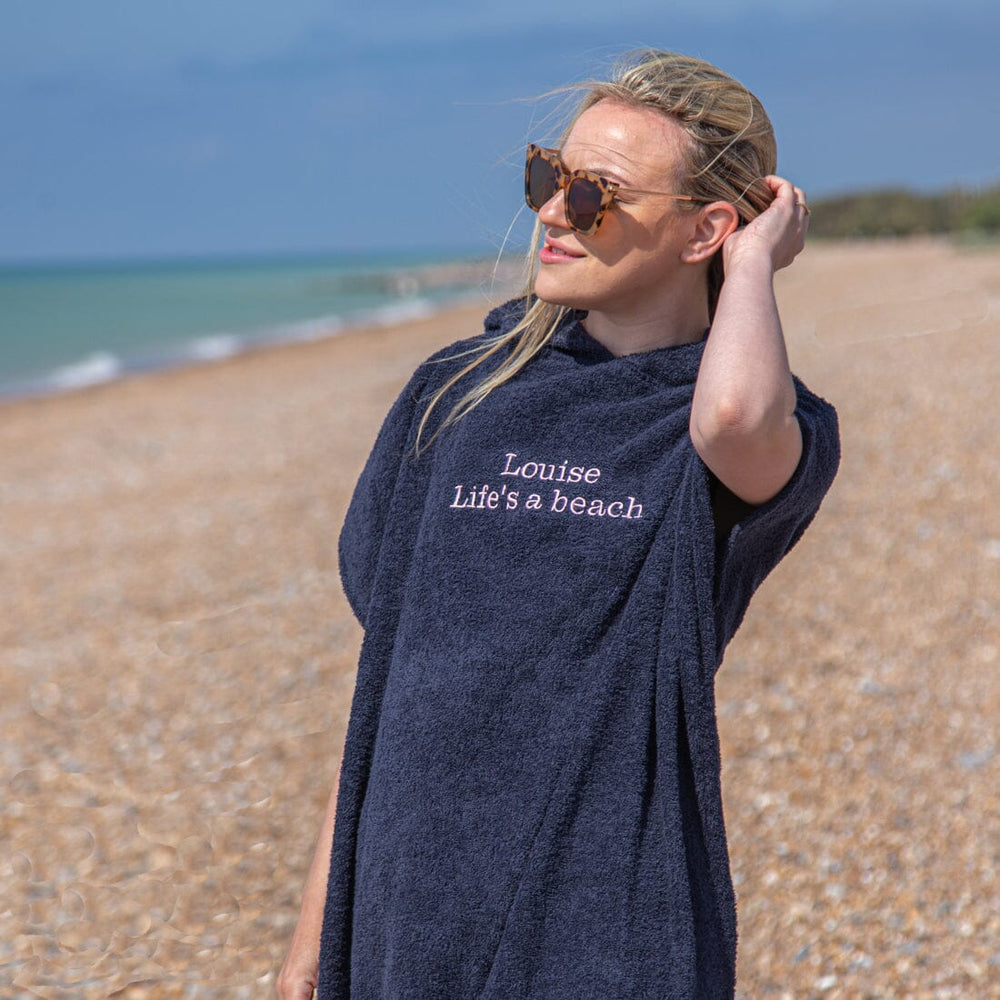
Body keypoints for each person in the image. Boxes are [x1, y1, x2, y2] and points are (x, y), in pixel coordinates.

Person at [278, 48, 839, 1000]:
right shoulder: (458, 394)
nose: (550, 210)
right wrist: (311, 930)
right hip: (410, 896)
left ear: (704, 229)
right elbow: (389, 676)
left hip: (605, 900)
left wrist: (754, 264)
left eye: (596, 195)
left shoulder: (742, 423)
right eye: (549, 176)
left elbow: (734, 420)